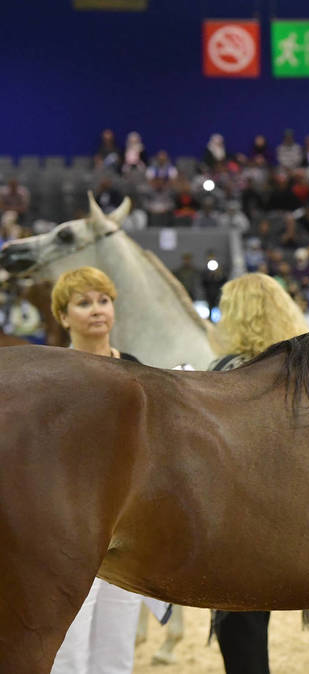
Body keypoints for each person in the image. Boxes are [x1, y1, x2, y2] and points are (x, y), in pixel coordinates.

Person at [208, 273, 309, 673]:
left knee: (241, 636)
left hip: (241, 525)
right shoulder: (308, 369)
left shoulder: (224, 373)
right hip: (304, 514)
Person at [48, 266, 145, 673]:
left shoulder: (137, 369)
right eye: (83, 303)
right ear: (63, 316)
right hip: (63, 524)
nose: (96, 310)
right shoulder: (49, 374)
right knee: (65, 644)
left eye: (103, 300)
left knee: (118, 644)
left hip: (127, 525)